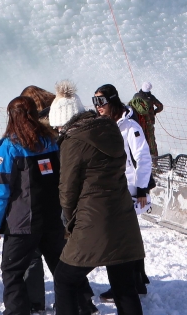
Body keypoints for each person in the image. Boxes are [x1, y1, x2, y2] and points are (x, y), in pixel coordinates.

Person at [49, 81, 145, 315]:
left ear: (64, 120)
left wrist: (70, 221)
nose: (58, 130)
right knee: (124, 285)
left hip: (93, 220)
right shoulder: (110, 128)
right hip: (122, 216)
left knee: (64, 278)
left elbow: (68, 189)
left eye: (58, 126)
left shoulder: (73, 141)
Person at [0, 96, 65, 315]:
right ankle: (76, 306)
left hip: (23, 221)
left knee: (12, 271)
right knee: (61, 268)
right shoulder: (50, 140)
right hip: (52, 217)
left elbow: (2, 189)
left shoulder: (9, 146)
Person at [93, 84, 152, 300]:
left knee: (121, 239)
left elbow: (143, 157)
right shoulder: (106, 125)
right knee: (128, 237)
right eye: (95, 101)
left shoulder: (129, 126)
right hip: (114, 190)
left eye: (102, 101)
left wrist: (142, 188)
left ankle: (129, 284)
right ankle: (137, 281)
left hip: (129, 190)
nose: (98, 106)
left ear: (113, 100)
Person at [19, 85, 57, 313]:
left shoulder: (34, 134)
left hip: (34, 203)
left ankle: (34, 302)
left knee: (32, 254)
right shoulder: (59, 120)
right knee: (59, 254)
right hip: (55, 199)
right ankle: (81, 299)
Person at [128, 82, 163, 157]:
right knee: (151, 140)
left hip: (138, 121)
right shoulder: (151, 98)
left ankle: (140, 157)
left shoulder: (135, 96)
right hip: (149, 122)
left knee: (140, 139)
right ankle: (154, 160)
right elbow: (160, 106)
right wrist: (154, 112)